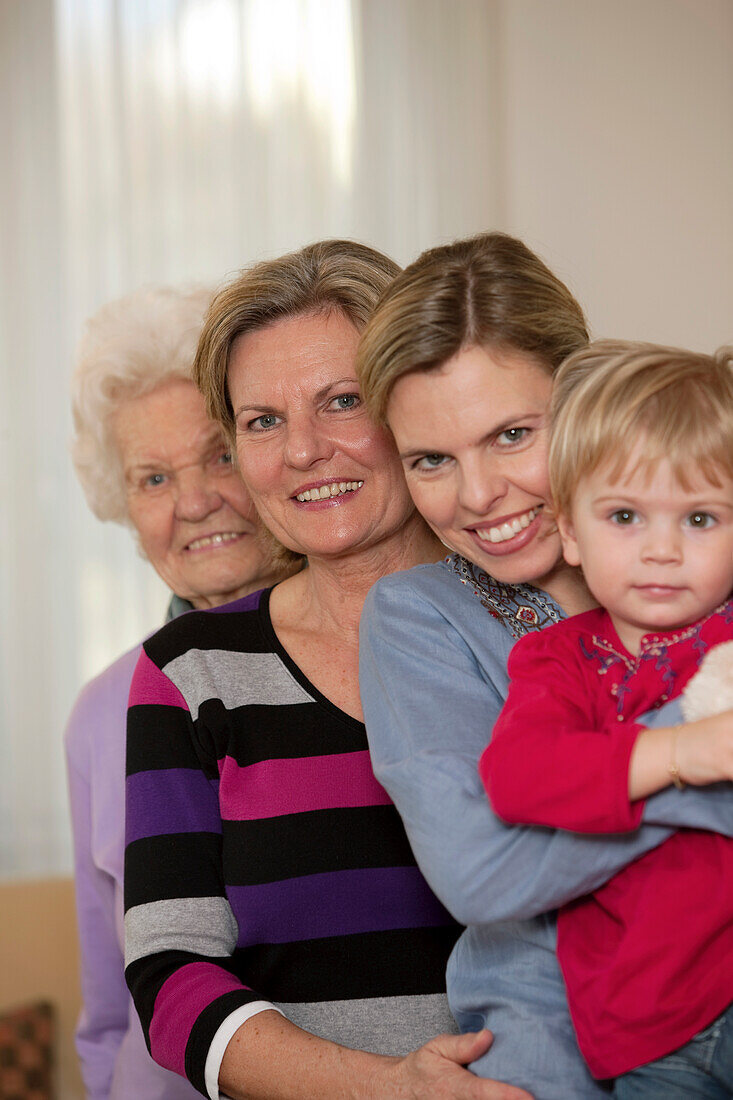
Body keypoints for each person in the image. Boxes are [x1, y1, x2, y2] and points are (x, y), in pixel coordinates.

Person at [123, 240, 533, 1100]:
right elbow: (169, 979)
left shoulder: (547, 622)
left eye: (341, 401)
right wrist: (383, 1087)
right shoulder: (191, 672)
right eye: (262, 420)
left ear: (408, 404)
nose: (303, 451)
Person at [356, 232, 733, 1099]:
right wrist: (695, 762)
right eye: (431, 460)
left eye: (512, 434)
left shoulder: (703, 548)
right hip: (542, 1044)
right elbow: (479, 873)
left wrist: (593, 796)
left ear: (589, 399)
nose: (478, 493)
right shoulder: (420, 618)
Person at [481, 340, 733, 1097]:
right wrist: (678, 751)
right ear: (568, 531)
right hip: (655, 1024)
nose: (661, 550)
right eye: (624, 515)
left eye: (699, 518)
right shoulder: (559, 661)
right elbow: (518, 776)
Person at [65, 286, 287, 1100]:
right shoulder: (100, 710)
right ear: (123, 507)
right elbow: (106, 1013)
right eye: (152, 478)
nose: (195, 503)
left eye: (220, 454)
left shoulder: (373, 652)